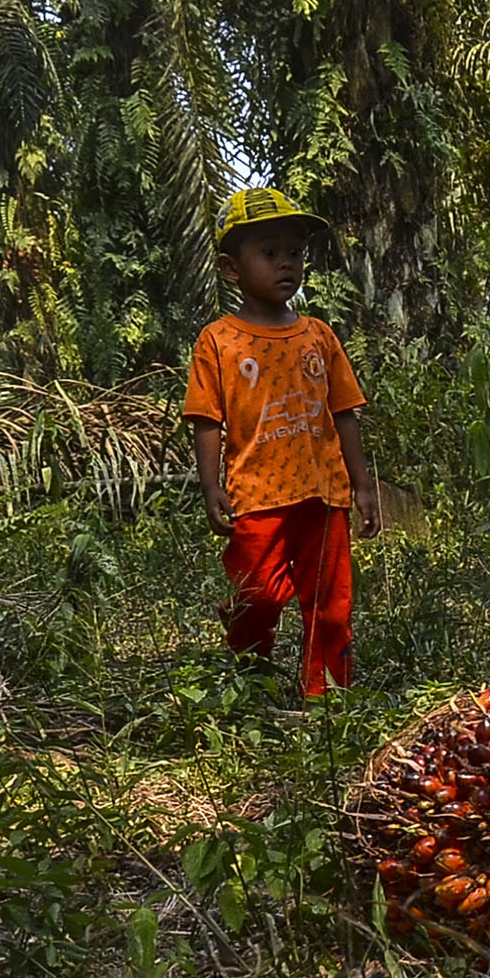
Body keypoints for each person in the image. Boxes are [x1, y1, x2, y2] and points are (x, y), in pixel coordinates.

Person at [185, 189, 381, 699]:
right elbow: (206, 418)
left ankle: (328, 702)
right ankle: (249, 686)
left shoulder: (319, 336)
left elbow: (344, 411)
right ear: (231, 268)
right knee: (260, 597)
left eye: (294, 253)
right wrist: (212, 487)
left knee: (331, 606)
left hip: (324, 494)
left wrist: (363, 485)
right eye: (269, 253)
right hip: (256, 497)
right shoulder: (218, 341)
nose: (285, 264)